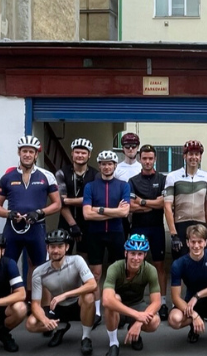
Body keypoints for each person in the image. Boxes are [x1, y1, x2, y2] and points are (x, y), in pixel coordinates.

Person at [0, 135, 62, 270]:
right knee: (7, 266)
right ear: (19, 152)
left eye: (31, 152)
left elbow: (57, 204)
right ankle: (13, 292)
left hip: (36, 228)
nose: (27, 155)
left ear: (36, 154)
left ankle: (32, 292)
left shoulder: (47, 176)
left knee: (39, 268)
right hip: (13, 229)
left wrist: (39, 213)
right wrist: (9, 214)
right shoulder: (7, 177)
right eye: (24, 151)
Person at [27, 229, 98, 354]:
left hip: (76, 305)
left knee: (89, 297)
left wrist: (64, 295)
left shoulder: (77, 260)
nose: (55, 250)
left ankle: (86, 337)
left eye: (60, 246)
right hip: (57, 308)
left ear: (67, 247)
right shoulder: (39, 272)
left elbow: (92, 284)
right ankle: (59, 327)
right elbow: (35, 304)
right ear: (47, 248)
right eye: (52, 247)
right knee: (31, 324)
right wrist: (45, 320)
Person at [83, 150, 131, 322]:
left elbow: (124, 212)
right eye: (103, 164)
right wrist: (114, 211)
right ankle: (96, 312)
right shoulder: (90, 186)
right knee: (95, 273)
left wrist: (99, 209)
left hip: (117, 232)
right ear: (99, 166)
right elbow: (87, 214)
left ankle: (119, 307)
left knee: (118, 271)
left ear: (115, 166)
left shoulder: (123, 185)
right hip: (95, 234)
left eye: (110, 163)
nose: (106, 166)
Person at [168, 224, 207, 355]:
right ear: (187, 242)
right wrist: (194, 315)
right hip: (191, 305)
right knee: (174, 319)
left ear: (206, 242)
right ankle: (194, 326)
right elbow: (175, 297)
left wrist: (198, 295)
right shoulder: (178, 264)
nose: (196, 246)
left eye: (200, 242)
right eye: (193, 242)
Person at [101, 234, 163, 356]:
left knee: (155, 321)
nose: (136, 258)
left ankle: (134, 331)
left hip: (137, 305)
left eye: (140, 254)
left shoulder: (150, 270)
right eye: (132, 253)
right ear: (126, 253)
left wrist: (138, 323)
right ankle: (113, 343)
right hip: (119, 308)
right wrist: (137, 315)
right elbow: (106, 299)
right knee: (113, 299)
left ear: (145, 255)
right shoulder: (115, 267)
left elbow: (157, 301)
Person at [128, 144, 169, 318]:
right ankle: (136, 301)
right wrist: (151, 204)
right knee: (136, 265)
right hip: (138, 228)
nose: (147, 161)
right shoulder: (133, 181)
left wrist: (142, 202)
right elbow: (130, 206)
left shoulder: (162, 178)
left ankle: (163, 302)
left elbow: (163, 203)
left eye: (150, 158)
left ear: (155, 159)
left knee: (159, 265)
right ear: (139, 159)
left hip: (157, 228)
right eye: (144, 158)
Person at [164, 140, 207, 259]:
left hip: (200, 224)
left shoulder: (206, 177)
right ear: (184, 156)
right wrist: (173, 233)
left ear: (200, 157)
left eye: (197, 154)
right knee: (180, 262)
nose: (194, 157)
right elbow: (167, 206)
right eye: (190, 154)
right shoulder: (173, 176)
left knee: (200, 261)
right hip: (181, 225)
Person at [55, 138, 95, 255]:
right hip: (66, 221)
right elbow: (60, 202)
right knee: (63, 256)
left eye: (83, 153)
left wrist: (67, 200)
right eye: (77, 152)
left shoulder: (95, 175)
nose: (80, 155)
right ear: (72, 153)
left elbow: (94, 201)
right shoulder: (61, 173)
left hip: (87, 221)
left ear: (89, 155)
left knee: (84, 257)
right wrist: (73, 224)